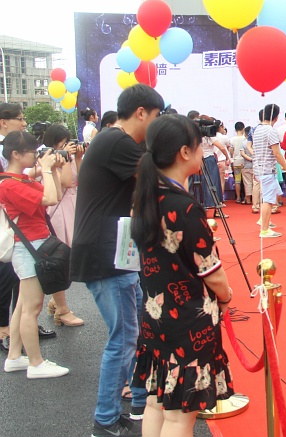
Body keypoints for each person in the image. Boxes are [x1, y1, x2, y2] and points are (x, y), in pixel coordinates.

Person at [130, 114, 235, 436]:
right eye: (199, 146)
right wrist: (226, 296)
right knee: (180, 416)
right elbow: (211, 271)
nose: (203, 152)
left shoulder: (147, 196)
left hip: (156, 315)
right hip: (188, 321)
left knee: (155, 403)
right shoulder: (184, 207)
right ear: (184, 152)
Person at [71, 84, 164, 436]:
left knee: (132, 332)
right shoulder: (117, 142)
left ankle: (135, 403)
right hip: (105, 255)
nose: (156, 124)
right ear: (140, 112)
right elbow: (158, 181)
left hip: (114, 253)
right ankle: (105, 419)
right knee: (123, 338)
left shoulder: (113, 141)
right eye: (156, 117)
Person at [0, 131, 69, 379]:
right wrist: (47, 170)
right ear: (16, 155)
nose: (36, 156)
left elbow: (56, 195)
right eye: (32, 152)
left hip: (34, 244)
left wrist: (53, 170)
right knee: (32, 307)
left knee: (22, 305)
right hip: (28, 247)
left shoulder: (21, 179)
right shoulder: (9, 184)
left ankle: (14, 357)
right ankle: (36, 364)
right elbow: (48, 198)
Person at [41, 124, 86, 327]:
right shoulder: (50, 161)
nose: (68, 146)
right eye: (63, 143)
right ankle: (62, 309)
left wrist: (78, 157)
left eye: (69, 142)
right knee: (59, 260)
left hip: (73, 207)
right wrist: (66, 159)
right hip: (59, 210)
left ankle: (55, 303)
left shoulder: (69, 158)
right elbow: (67, 182)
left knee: (70, 259)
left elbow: (82, 180)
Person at [0, 103, 33, 352]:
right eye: (19, 119)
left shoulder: (13, 147)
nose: (23, 123)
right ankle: (4, 328)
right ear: (3, 122)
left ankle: (20, 328)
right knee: (6, 273)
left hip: (15, 218)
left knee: (19, 276)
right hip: (6, 219)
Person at [252, 104, 286, 238]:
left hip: (260, 169)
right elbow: (277, 153)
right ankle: (264, 230)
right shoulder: (271, 131)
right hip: (267, 170)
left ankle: (264, 221)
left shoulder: (257, 129)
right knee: (268, 199)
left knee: (269, 196)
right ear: (276, 117)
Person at [198, 116, 229, 217]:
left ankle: (202, 210)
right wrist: (227, 157)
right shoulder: (209, 135)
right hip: (209, 160)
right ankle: (217, 210)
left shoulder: (195, 135)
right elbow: (221, 147)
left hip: (198, 161)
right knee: (214, 184)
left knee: (200, 185)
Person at [229, 122, 247, 203]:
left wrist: (233, 157)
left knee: (237, 180)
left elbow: (231, 150)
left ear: (235, 130)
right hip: (244, 161)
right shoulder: (245, 139)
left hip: (236, 161)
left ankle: (238, 197)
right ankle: (246, 197)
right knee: (246, 181)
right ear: (243, 129)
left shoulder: (232, 139)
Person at [241, 126, 254, 205]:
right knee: (256, 184)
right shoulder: (257, 141)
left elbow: (242, 154)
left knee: (247, 183)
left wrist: (250, 159)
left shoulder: (243, 142)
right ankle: (256, 201)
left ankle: (248, 200)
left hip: (246, 165)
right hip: (256, 165)